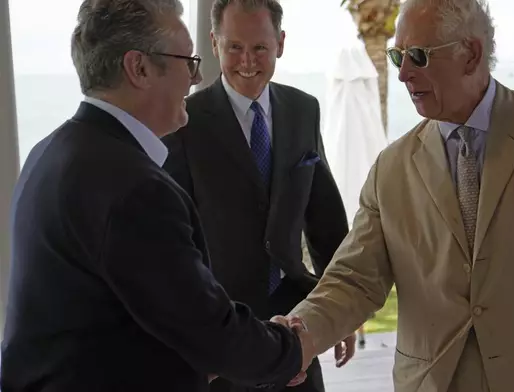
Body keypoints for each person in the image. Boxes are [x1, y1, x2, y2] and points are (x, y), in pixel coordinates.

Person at [282, 0, 514, 391]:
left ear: (471, 54)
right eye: (398, 56)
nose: (402, 74)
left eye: (418, 56)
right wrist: (297, 335)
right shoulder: (391, 168)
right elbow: (354, 280)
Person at [0, 1, 315, 391]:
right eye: (188, 61)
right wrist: (292, 348)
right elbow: (206, 331)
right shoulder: (134, 187)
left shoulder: (50, 152)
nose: (197, 79)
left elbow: (131, 327)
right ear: (140, 68)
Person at [162, 1, 354, 391]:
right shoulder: (182, 121)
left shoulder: (304, 109)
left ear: (280, 43)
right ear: (214, 44)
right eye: (234, 47)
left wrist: (341, 309)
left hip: (297, 321)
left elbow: (325, 221)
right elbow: (170, 240)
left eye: (260, 48)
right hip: (222, 330)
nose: (247, 61)